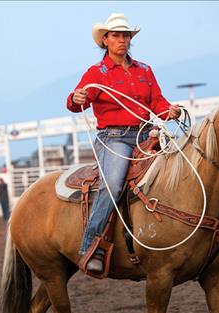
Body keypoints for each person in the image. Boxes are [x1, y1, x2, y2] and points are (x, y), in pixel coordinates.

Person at [66, 13, 181, 273]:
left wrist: (170, 111)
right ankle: (90, 246)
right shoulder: (97, 73)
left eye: (125, 35)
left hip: (145, 135)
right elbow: (76, 102)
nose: (121, 40)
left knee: (176, 171)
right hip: (114, 139)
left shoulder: (145, 70)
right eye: (116, 35)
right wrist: (77, 96)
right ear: (105, 40)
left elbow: (158, 104)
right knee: (114, 184)